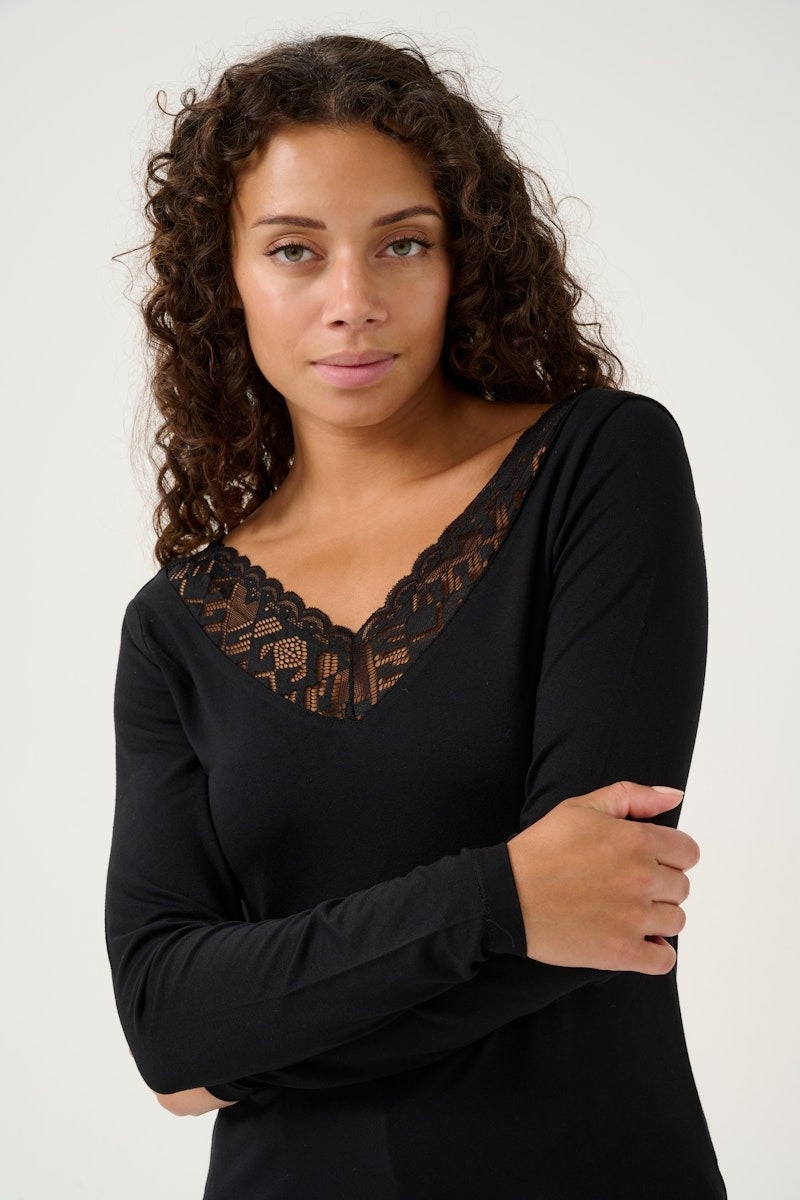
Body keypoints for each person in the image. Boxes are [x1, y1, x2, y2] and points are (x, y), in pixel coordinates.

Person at [105, 32, 727, 1199]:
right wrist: (502, 900)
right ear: (224, 280)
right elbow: (164, 1024)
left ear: (461, 262)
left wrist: (247, 1035)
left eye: (401, 243)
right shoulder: (175, 626)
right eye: (294, 250)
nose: (352, 302)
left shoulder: (595, 465)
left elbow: (607, 903)